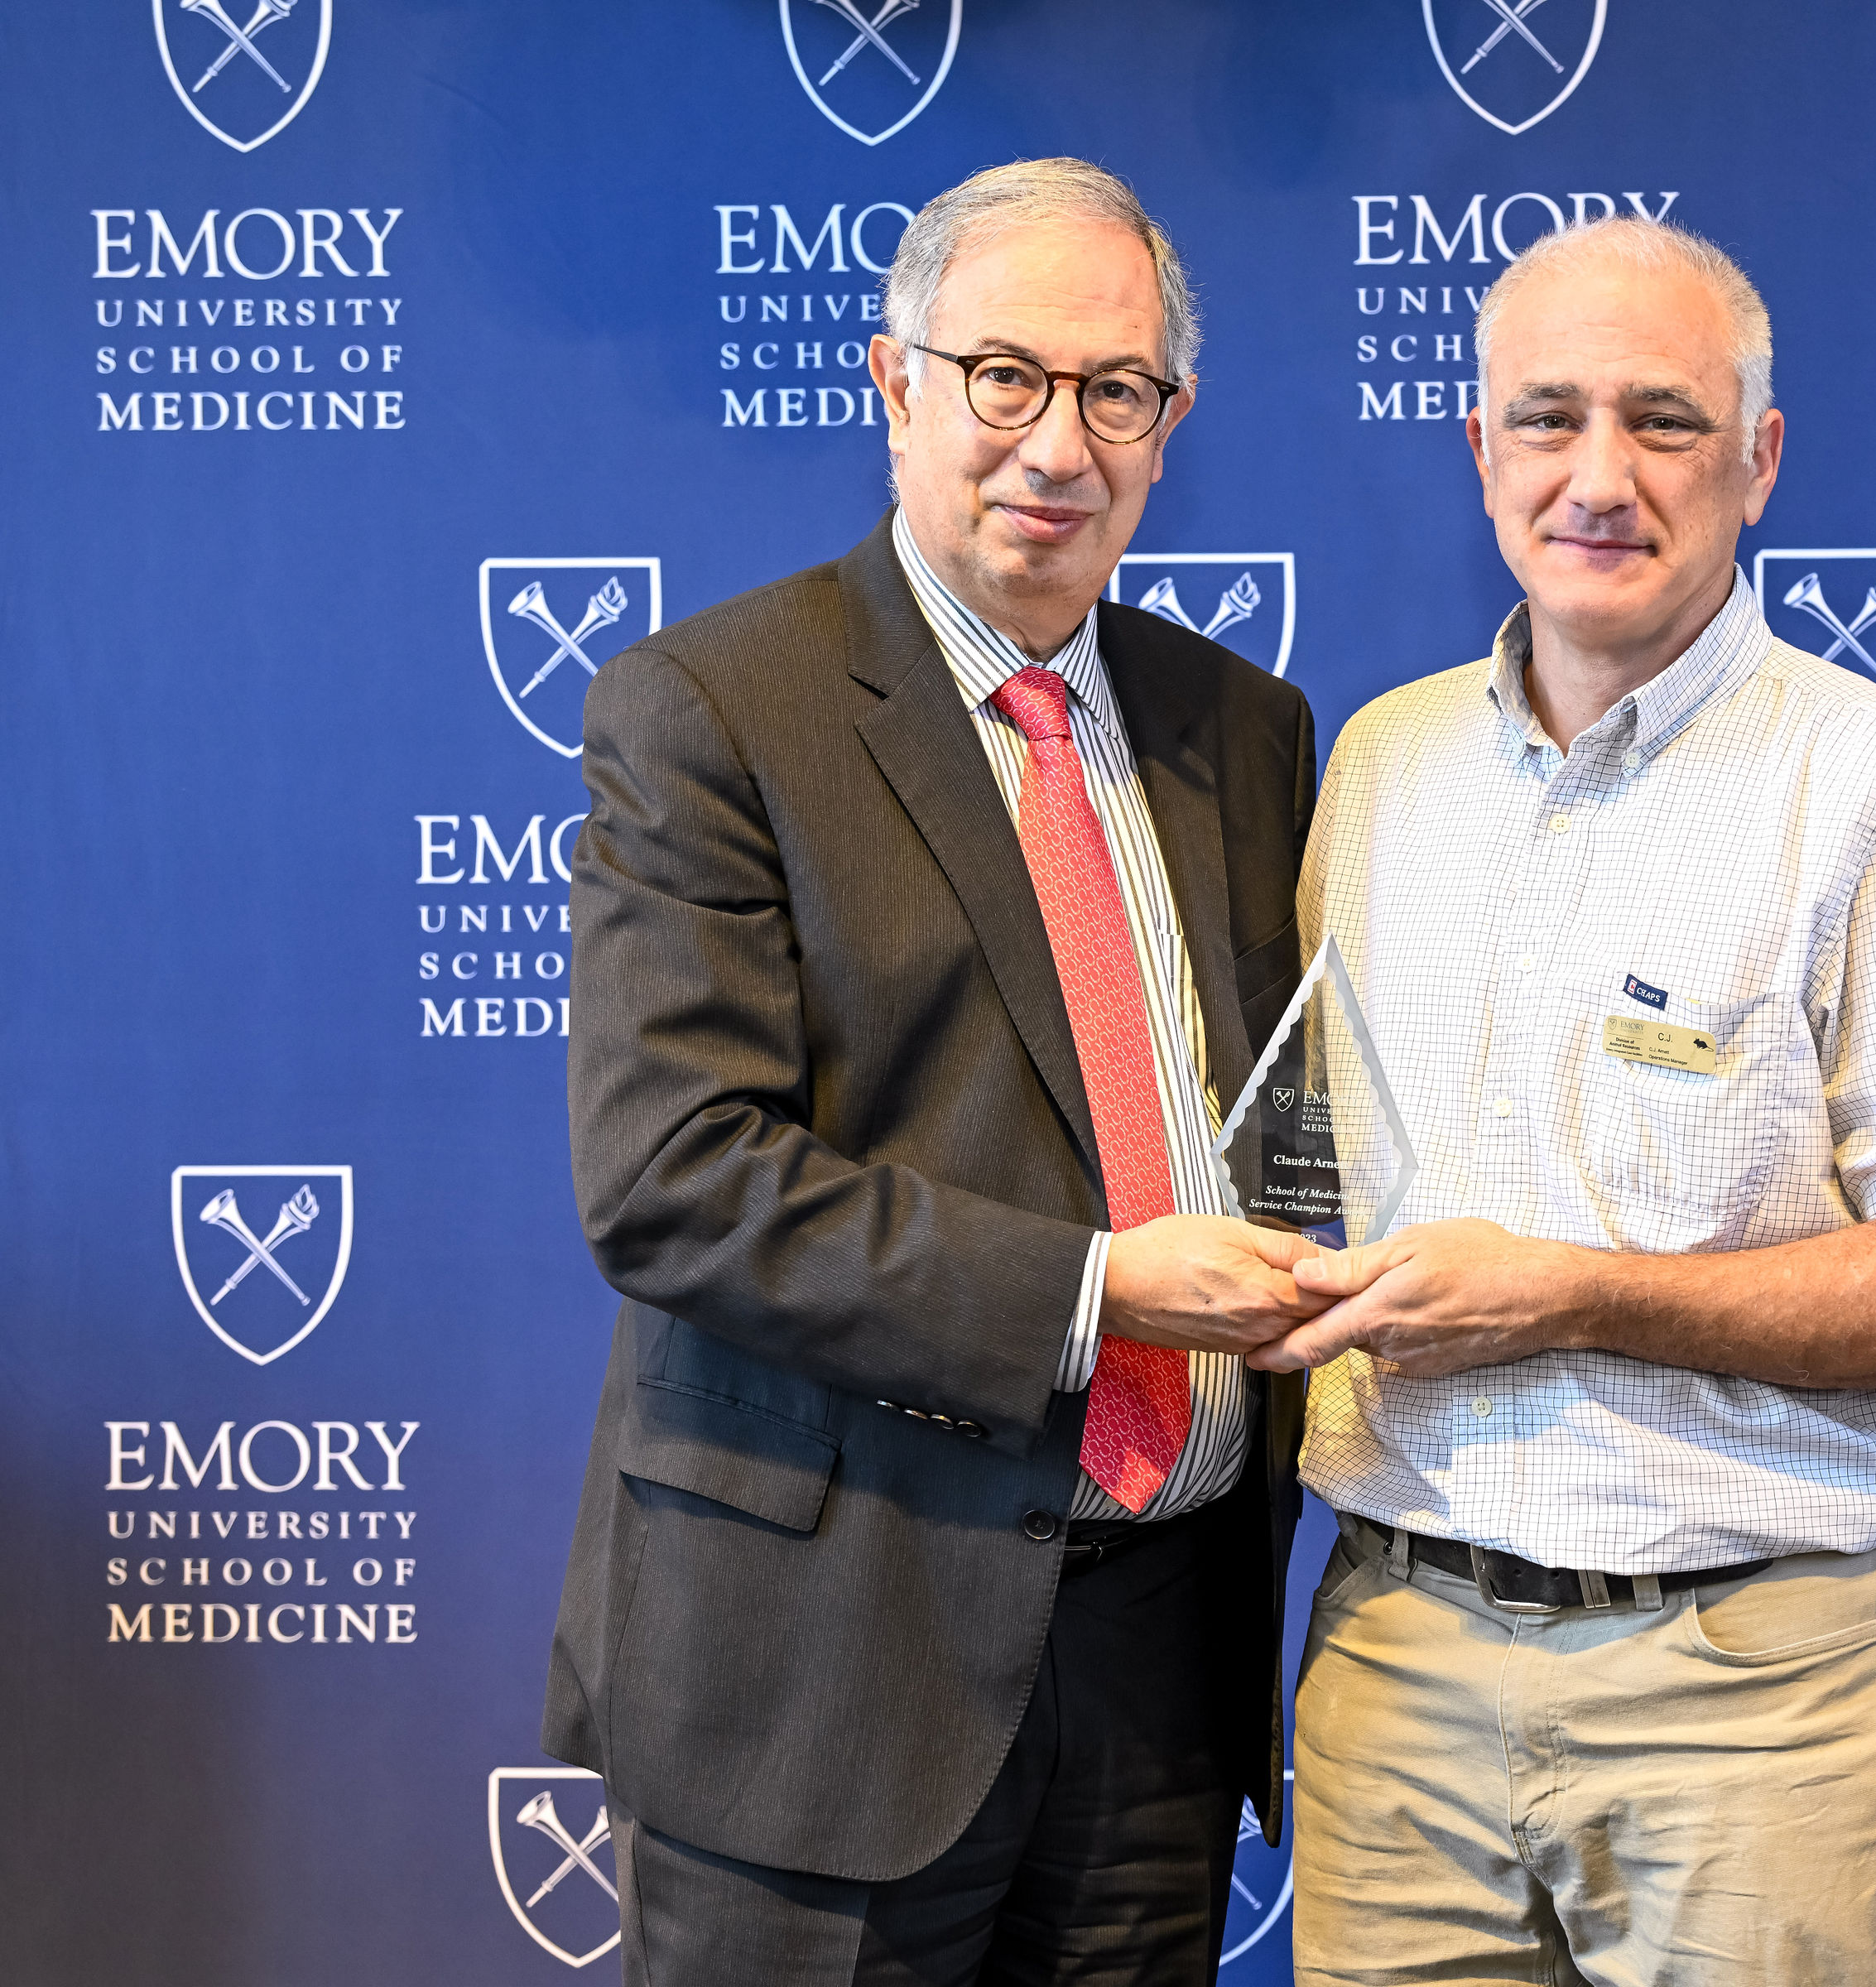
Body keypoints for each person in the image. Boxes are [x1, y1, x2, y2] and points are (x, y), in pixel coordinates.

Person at [541, 158, 1324, 1986]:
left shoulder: (1248, 729)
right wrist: (1099, 1291)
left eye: (1114, 391)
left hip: (1161, 1665)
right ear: (892, 383)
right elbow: (672, 1179)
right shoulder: (715, 708)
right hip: (828, 1665)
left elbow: (1286, 1120)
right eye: (1005, 378)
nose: (1059, 443)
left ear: (1170, 421)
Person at [1268, 215, 1876, 1987]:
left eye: (1666, 422)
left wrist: (1570, 1294)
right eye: (1546, 419)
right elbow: (1293, 1174)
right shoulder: (1379, 766)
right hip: (1397, 1670)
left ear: (1761, 457)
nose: (1600, 477)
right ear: (1478, 449)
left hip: (1753, 1701)